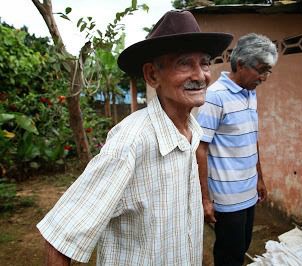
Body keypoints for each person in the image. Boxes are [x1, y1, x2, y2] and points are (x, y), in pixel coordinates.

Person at [37, 10, 232, 265]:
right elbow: (59, 239)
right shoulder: (131, 143)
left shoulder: (192, 132)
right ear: (152, 75)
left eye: (205, 62)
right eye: (185, 63)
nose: (200, 75)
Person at [196, 33, 278, 266]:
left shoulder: (250, 93)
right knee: (228, 255)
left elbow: (252, 138)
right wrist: (205, 199)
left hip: (248, 190)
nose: (264, 77)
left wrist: (259, 178)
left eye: (268, 71)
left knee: (242, 246)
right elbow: (200, 148)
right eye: (261, 70)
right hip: (227, 196)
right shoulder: (215, 97)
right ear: (240, 63)